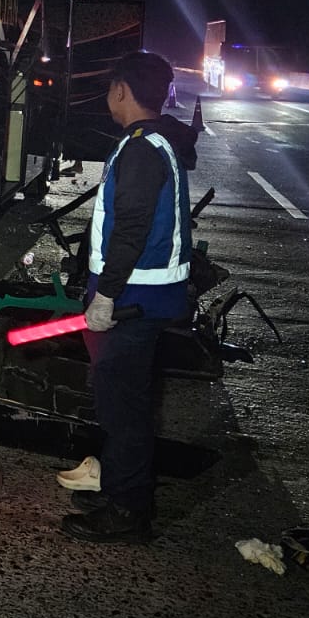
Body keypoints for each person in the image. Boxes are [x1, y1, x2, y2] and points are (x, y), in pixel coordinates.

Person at [61, 50, 198, 545]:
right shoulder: (157, 141)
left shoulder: (141, 148)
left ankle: (127, 510)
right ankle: (121, 489)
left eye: (109, 88)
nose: (107, 98)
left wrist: (107, 296)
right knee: (121, 400)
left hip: (134, 298)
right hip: (145, 294)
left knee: (124, 408)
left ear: (121, 90)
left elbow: (132, 227)